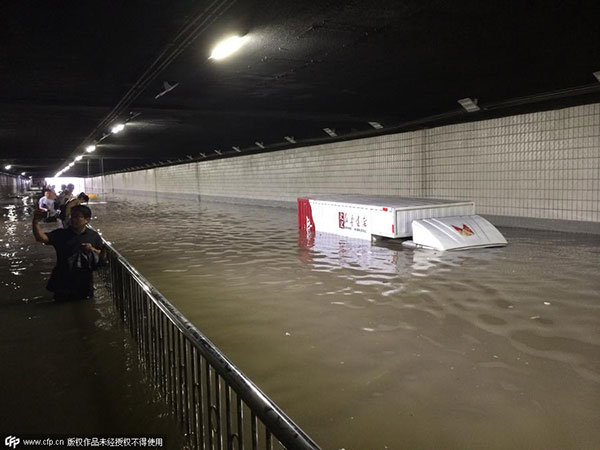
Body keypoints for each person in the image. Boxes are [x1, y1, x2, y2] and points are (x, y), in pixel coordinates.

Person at [32, 204, 105, 301]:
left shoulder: (93, 236)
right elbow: (41, 238)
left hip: (84, 282)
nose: (73, 219)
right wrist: (35, 222)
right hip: (62, 280)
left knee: (83, 305)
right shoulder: (61, 234)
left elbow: (102, 253)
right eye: (72, 216)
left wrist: (92, 249)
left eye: (77, 217)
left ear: (87, 220)